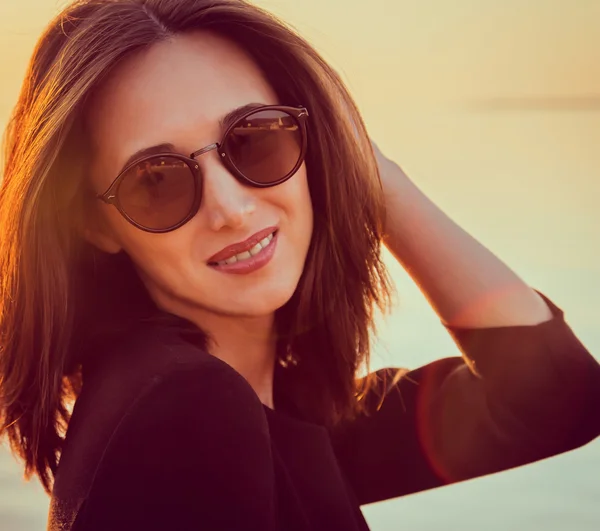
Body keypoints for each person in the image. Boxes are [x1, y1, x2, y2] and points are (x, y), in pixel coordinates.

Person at [0, 0, 598, 529]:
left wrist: (368, 173)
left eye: (256, 137)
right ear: (94, 223)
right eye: (155, 180)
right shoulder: (185, 409)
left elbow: (554, 398)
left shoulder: (270, 410)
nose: (231, 209)